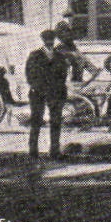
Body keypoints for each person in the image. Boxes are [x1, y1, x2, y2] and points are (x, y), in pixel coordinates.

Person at [25, 30, 73, 161]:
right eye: (47, 40)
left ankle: (54, 151)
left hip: (55, 92)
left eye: (51, 40)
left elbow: (63, 75)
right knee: (36, 120)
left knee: (56, 121)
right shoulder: (35, 55)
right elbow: (30, 74)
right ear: (43, 40)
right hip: (38, 92)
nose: (49, 42)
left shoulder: (59, 56)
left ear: (54, 40)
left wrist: (58, 88)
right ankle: (33, 151)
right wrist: (38, 87)